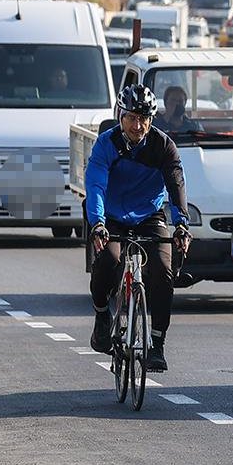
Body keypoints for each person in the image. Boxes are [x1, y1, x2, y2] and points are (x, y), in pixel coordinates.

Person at [85, 84, 192, 371]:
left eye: (144, 118)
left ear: (152, 119)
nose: (137, 125)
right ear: (121, 117)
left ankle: (157, 343)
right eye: (131, 117)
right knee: (108, 259)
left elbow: (176, 185)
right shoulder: (106, 144)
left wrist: (181, 225)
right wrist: (97, 223)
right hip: (111, 215)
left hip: (149, 215)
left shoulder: (163, 146)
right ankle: (102, 317)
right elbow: (95, 184)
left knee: (163, 268)